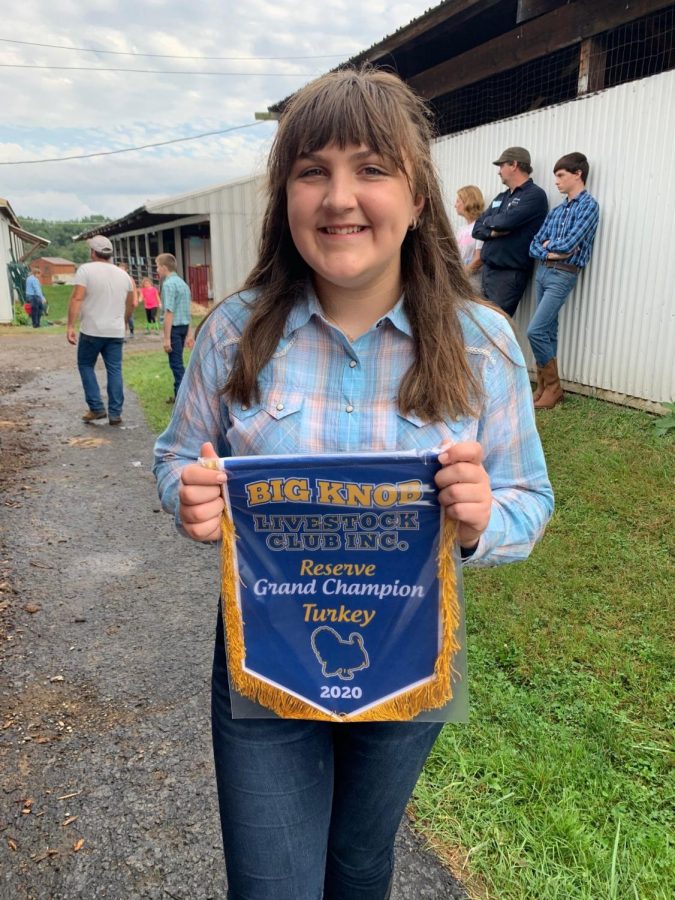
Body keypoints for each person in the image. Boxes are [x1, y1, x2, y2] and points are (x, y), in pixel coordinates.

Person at [153, 68, 553, 900]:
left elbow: (528, 498)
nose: (340, 197)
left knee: (361, 868)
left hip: (409, 663)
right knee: (271, 884)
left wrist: (480, 521)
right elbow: (176, 457)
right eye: (312, 171)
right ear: (284, 198)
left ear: (416, 197)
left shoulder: (482, 343)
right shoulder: (232, 332)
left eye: (371, 169)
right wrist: (185, 495)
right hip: (264, 662)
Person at [528, 152, 600, 409]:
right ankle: (544, 387)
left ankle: (555, 388)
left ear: (577, 174)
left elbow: (571, 245)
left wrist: (550, 247)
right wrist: (549, 250)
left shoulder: (589, 206)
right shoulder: (557, 210)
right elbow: (534, 245)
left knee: (534, 330)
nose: (556, 181)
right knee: (547, 329)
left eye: (561, 175)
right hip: (543, 271)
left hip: (564, 273)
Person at [67, 235, 135, 425]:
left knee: (86, 365)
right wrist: (124, 321)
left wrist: (70, 325)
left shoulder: (86, 270)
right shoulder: (124, 275)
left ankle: (96, 408)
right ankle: (115, 413)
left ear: (93, 253)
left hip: (92, 329)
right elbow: (131, 303)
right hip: (115, 330)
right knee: (114, 369)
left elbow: (77, 298)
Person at [472, 147, 548, 316]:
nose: (499, 172)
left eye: (501, 166)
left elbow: (505, 222)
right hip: (488, 271)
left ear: (514, 165)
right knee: (481, 326)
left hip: (508, 275)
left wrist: (491, 222)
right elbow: (477, 228)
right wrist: (492, 232)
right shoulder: (501, 197)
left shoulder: (534, 195)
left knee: (496, 328)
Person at [155, 253, 194, 403]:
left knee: (176, 365)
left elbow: (169, 312)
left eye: (157, 266)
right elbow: (187, 311)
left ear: (164, 268)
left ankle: (183, 399)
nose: (157, 269)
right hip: (184, 327)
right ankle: (179, 394)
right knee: (178, 363)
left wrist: (166, 338)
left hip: (175, 329)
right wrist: (189, 334)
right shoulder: (183, 283)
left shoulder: (168, 284)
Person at [454, 185, 485, 293]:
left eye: (458, 201)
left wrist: (461, 276)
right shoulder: (461, 229)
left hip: (472, 283)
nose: (455, 205)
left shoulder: (480, 227)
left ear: (468, 201)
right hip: (460, 281)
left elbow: (479, 259)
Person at [118, 262, 138, 339]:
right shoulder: (116, 278)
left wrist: (135, 300)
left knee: (130, 318)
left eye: (123, 270)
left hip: (129, 301)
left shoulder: (130, 279)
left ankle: (132, 330)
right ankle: (123, 335)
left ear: (126, 270)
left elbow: (134, 290)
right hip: (120, 301)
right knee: (121, 319)